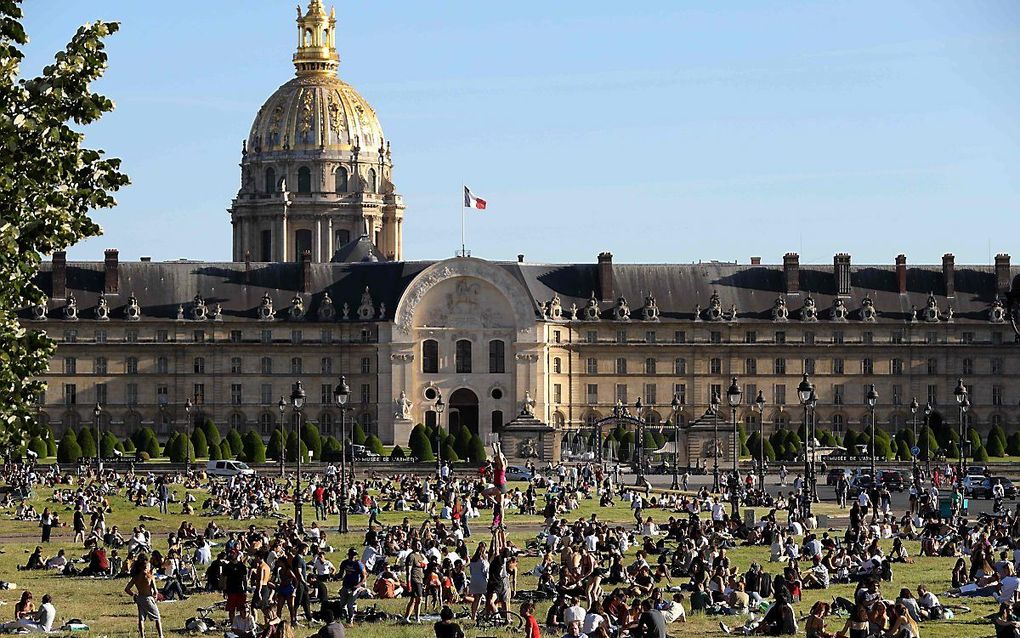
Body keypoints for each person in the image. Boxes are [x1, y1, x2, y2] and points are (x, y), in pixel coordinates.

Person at [124, 556, 164, 638]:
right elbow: (155, 591)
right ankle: (161, 635)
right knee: (157, 617)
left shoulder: (135, 577)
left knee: (141, 618)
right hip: (148, 598)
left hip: (140, 598)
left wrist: (134, 595)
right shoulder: (150, 577)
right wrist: (155, 596)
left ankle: (142, 636)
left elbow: (127, 589)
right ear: (146, 567)